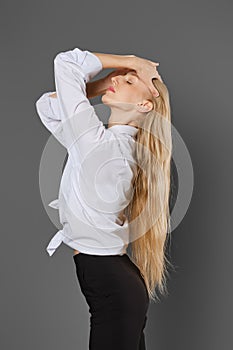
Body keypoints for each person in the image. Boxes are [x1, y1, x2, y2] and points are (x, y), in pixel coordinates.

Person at [35, 47, 173, 350]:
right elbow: (47, 105)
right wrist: (105, 83)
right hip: (116, 282)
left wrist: (131, 62)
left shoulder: (100, 148)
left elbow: (66, 62)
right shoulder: (106, 145)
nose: (118, 78)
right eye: (122, 76)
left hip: (113, 287)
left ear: (143, 104)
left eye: (128, 80)